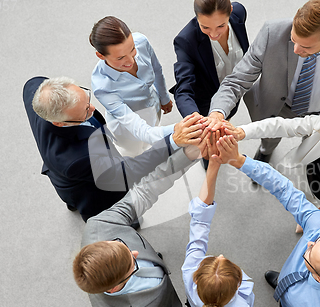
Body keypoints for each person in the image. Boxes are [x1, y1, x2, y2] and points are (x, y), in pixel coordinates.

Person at [212, 135, 320, 307]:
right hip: (293, 284)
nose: (308, 243)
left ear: (318, 278)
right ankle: (281, 284)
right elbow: (284, 189)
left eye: (310, 254)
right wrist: (239, 160)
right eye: (316, 243)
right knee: (287, 281)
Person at [208, 0, 320, 165]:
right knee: (269, 137)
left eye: (306, 47)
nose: (296, 50)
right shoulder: (271, 33)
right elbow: (237, 80)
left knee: (312, 147)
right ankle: (266, 151)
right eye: (293, 40)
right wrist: (217, 112)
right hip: (277, 108)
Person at [24, 76, 204, 223]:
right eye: (85, 112)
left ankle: (72, 203)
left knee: (73, 195)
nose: (93, 109)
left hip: (67, 174)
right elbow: (128, 171)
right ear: (59, 122)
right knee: (116, 213)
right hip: (94, 190)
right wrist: (173, 140)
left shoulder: (35, 87)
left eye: (87, 99)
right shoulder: (78, 159)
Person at [73, 144, 204, 307]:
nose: (136, 252)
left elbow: (144, 191)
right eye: (132, 263)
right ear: (114, 287)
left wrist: (189, 155)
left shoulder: (99, 226)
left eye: (122, 245)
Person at [182, 132, 256, 307]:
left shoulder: (189, 271)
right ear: (237, 286)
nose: (221, 255)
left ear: (196, 279)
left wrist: (213, 165)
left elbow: (199, 220)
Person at [90, 16, 174, 157]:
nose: (130, 60)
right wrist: (180, 129)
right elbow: (140, 130)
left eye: (132, 49)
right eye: (120, 57)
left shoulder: (141, 41)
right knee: (134, 156)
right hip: (128, 130)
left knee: (151, 145)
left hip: (153, 108)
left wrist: (164, 97)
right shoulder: (102, 86)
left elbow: (157, 69)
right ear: (101, 55)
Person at [170, 0, 252, 120]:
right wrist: (194, 118)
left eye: (221, 26)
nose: (213, 34)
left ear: (231, 10)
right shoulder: (186, 40)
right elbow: (183, 89)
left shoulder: (239, 13)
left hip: (233, 98)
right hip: (207, 108)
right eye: (205, 27)